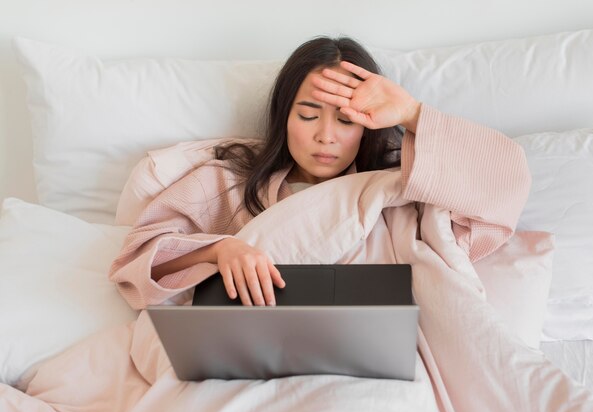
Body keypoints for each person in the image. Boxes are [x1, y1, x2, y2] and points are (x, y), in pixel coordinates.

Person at [109, 36, 530, 309]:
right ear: (284, 116)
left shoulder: (403, 190)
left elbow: (503, 184)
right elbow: (137, 264)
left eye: (346, 121)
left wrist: (413, 113)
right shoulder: (225, 181)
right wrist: (220, 250)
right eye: (308, 115)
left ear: (369, 126)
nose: (326, 136)